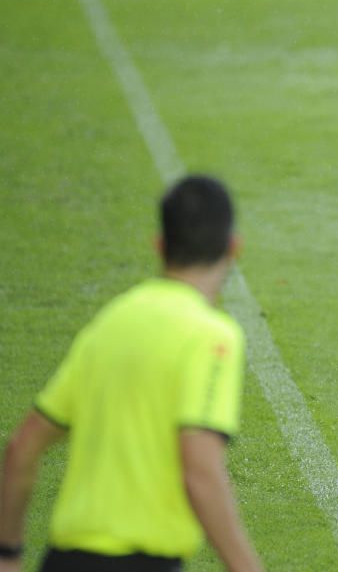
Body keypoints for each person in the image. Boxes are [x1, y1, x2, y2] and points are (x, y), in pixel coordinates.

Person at [0, 176, 265, 572]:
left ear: (159, 245)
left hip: (61, 560)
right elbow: (200, 472)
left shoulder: (111, 321)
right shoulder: (212, 337)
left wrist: (7, 555)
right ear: (234, 248)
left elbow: (22, 448)